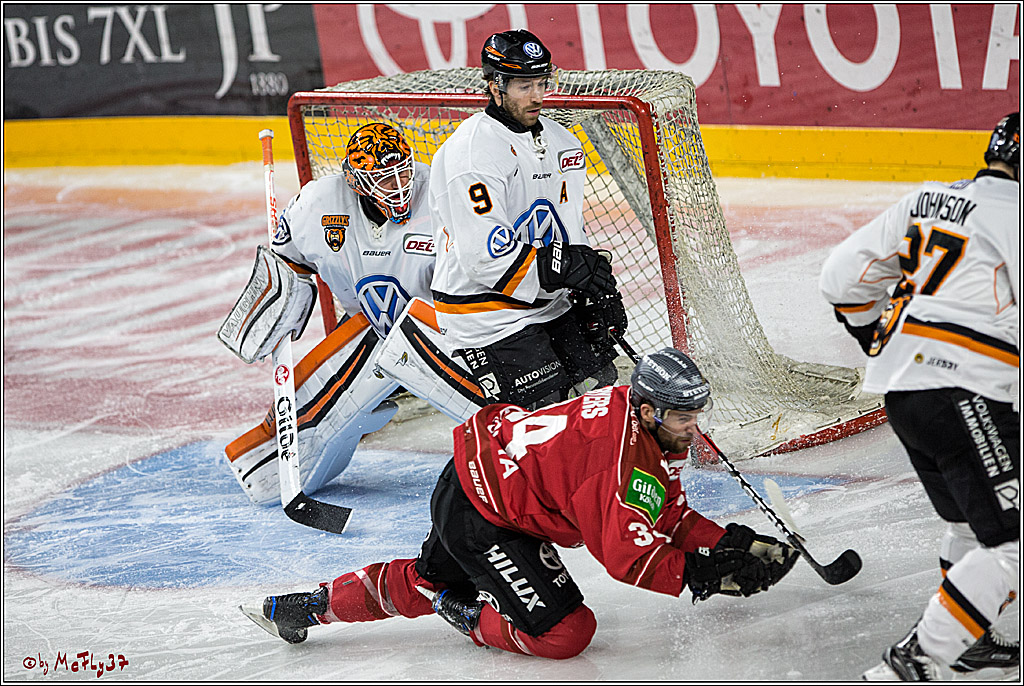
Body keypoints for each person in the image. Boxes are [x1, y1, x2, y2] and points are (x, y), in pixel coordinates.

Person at [242, 348, 800, 659]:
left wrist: (729, 541)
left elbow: (667, 514)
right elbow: (627, 557)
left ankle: (305, 606)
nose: (692, 428)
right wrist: (701, 575)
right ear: (651, 410)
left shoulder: (642, 425)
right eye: (684, 417)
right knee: (566, 633)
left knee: (428, 574)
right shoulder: (618, 459)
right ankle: (461, 608)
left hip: (479, 484)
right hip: (485, 513)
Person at [820, 113, 1020, 681]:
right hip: (968, 391)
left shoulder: (928, 199)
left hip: (905, 394)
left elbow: (839, 279)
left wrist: (880, 341)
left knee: (968, 525)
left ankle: (975, 638)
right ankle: (915, 663)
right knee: (1013, 543)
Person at [218, 122, 485, 505]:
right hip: (373, 334)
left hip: (445, 332)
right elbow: (287, 264)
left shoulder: (442, 194)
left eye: (403, 171)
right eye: (384, 179)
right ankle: (285, 481)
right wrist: (273, 309)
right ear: (357, 183)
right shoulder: (317, 204)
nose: (399, 185)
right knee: (280, 442)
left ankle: (538, 462)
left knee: (499, 411)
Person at [428, 29, 628, 411]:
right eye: (524, 86)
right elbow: (484, 259)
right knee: (543, 411)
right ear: (494, 85)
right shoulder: (472, 155)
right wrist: (565, 267)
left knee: (601, 389)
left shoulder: (563, 142)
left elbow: (569, 229)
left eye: (541, 82)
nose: (537, 96)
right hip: (485, 313)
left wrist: (589, 289)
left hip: (547, 302)